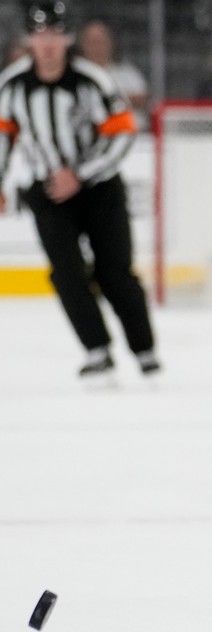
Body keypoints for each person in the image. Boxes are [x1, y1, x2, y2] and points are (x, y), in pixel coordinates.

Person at [0, 1, 159, 379]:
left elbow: (122, 132)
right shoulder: (13, 85)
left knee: (114, 272)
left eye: (55, 33)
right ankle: (97, 349)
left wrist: (82, 174)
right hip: (49, 191)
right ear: (29, 39)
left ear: (67, 38)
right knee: (66, 273)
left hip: (99, 189)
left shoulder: (92, 79)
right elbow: (4, 136)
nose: (48, 43)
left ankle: (144, 350)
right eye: (40, 35)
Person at [77, 18, 149, 130]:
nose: (96, 47)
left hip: (134, 141)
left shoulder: (128, 74)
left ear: (111, 42)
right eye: (91, 41)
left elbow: (143, 100)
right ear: (82, 44)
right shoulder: (73, 73)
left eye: (100, 41)